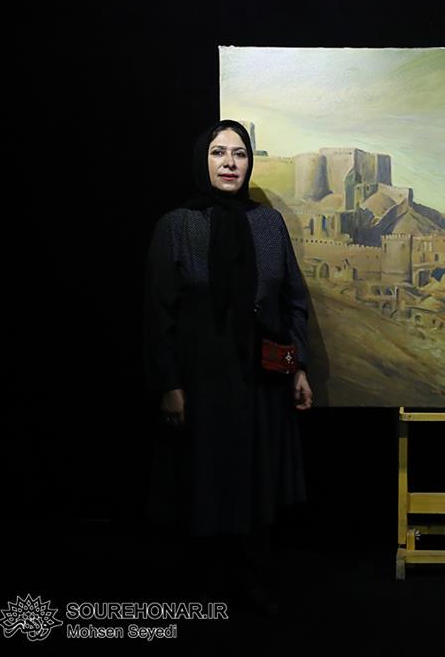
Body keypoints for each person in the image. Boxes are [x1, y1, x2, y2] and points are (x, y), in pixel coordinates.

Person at [144, 119, 313, 614]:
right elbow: (158, 312)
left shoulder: (268, 224)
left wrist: (298, 367)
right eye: (219, 152)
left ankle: (251, 581)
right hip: (202, 379)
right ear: (204, 161)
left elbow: (291, 301)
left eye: (239, 154)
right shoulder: (177, 226)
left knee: (256, 479)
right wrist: (169, 383)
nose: (230, 163)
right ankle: (205, 584)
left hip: (261, 378)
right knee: (204, 478)